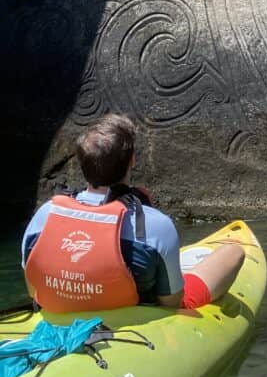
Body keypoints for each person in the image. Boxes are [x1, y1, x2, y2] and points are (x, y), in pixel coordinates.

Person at [21, 113, 244, 313]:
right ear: (132, 161)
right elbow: (171, 303)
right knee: (234, 251)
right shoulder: (156, 225)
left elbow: (34, 290)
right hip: (138, 315)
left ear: (82, 162)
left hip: (61, 309)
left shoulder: (45, 215)